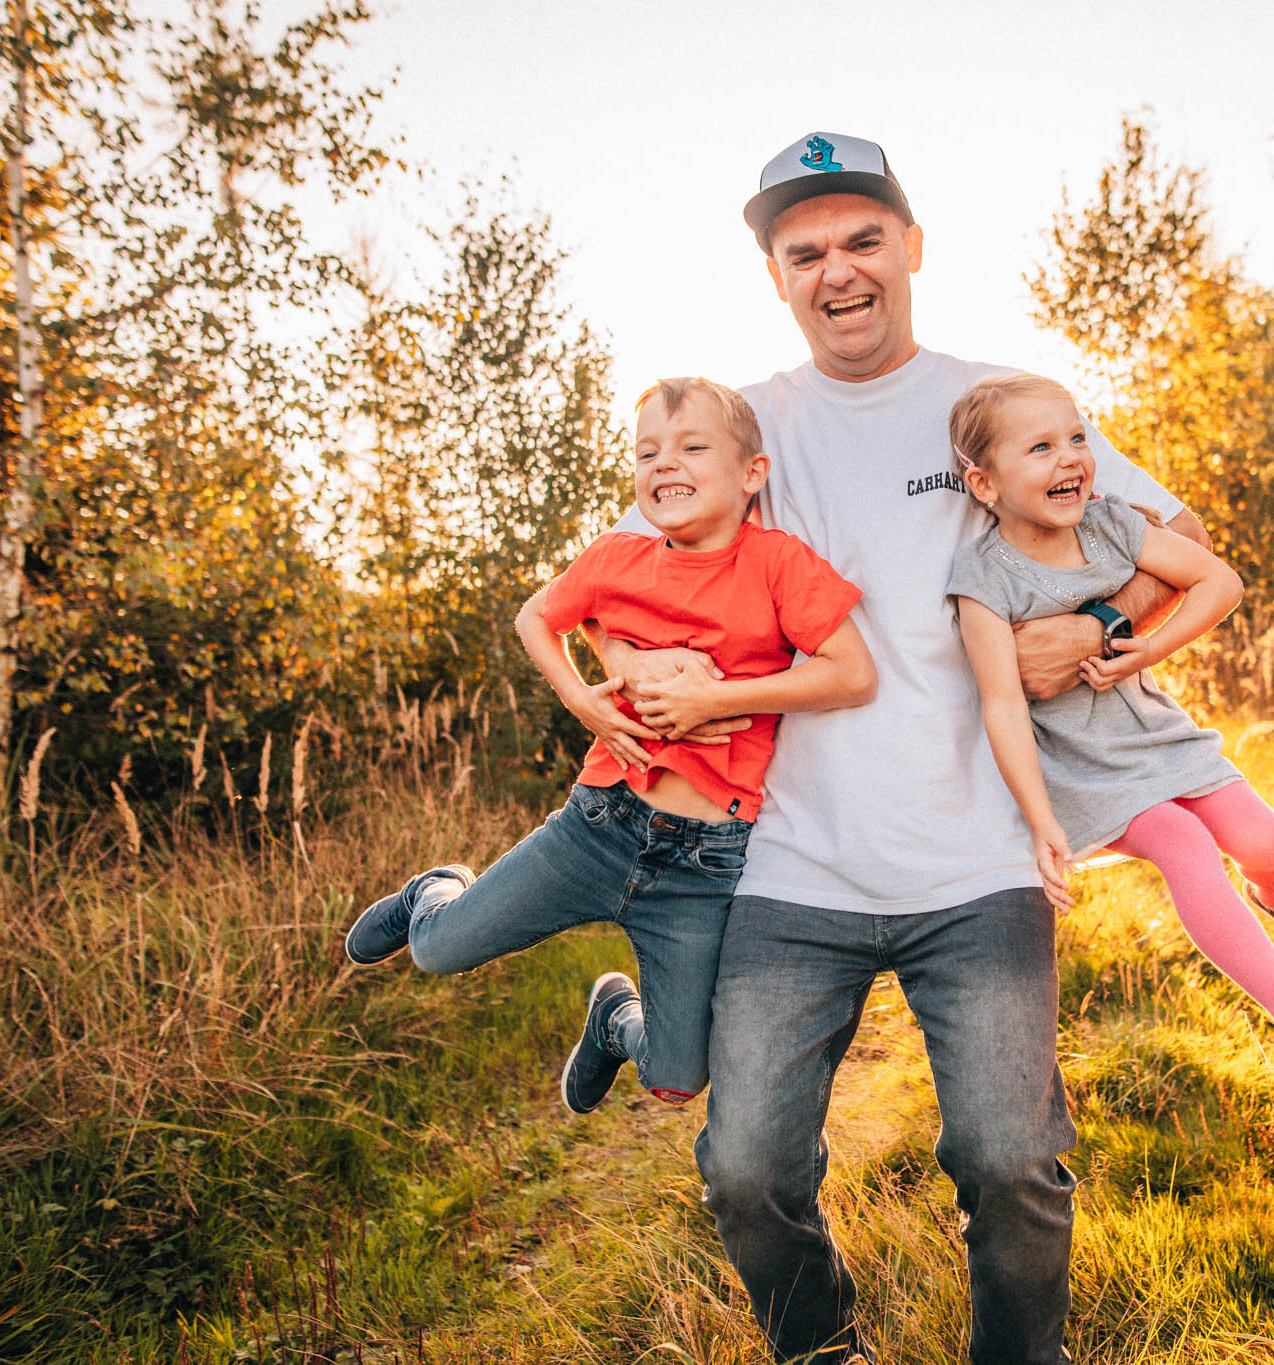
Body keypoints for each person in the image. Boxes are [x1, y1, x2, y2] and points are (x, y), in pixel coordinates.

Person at [592, 132, 1205, 1365]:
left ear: (911, 247)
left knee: (1009, 1159)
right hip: (787, 871)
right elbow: (614, 592)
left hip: (979, 863)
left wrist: (1095, 627)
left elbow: (1177, 541)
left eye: (862, 240)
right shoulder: (741, 429)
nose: (838, 271)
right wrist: (655, 686)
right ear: (775, 276)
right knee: (746, 1169)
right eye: (804, 252)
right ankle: (823, 1349)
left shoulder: (995, 407)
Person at [342, 376, 875, 1116]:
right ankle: (429, 890)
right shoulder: (615, 558)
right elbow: (536, 617)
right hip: (598, 826)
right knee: (435, 949)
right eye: (647, 452)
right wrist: (582, 700)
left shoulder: (778, 564)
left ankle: (613, 1020)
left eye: (693, 447)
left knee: (678, 1077)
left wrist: (718, 700)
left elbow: (853, 673)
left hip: (702, 863)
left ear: (752, 473)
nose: (666, 464)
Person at [945, 372, 1274, 1085]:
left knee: (1266, 843)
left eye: (1077, 439)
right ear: (984, 483)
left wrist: (1150, 647)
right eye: (1041, 448)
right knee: (1182, 839)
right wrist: (1040, 821)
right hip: (1080, 764)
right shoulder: (983, 577)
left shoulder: (1110, 524)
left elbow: (1220, 580)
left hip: (1155, 730)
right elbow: (1001, 705)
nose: (1070, 457)